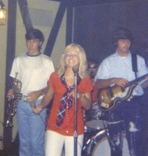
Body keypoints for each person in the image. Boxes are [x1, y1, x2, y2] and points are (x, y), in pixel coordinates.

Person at [94, 27, 148, 156]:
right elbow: (98, 83)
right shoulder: (108, 62)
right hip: (114, 106)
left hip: (134, 104)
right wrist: (113, 80)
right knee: (115, 144)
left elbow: (144, 84)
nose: (126, 43)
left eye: (128, 41)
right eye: (123, 40)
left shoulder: (138, 60)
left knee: (136, 144)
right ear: (116, 42)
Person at [33, 43, 93, 156]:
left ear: (81, 58)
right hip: (55, 126)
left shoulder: (85, 79)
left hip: (75, 128)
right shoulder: (55, 76)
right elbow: (48, 96)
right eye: (68, 54)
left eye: (75, 54)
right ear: (64, 57)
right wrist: (40, 106)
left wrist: (80, 95)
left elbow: (88, 105)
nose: (71, 57)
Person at [8, 28, 54, 156]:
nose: (31, 44)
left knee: (36, 142)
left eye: (34, 41)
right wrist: (12, 91)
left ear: (40, 43)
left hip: (38, 103)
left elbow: (52, 86)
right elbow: (16, 83)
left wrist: (38, 93)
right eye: (28, 41)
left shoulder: (47, 61)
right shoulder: (18, 60)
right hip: (22, 103)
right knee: (24, 142)